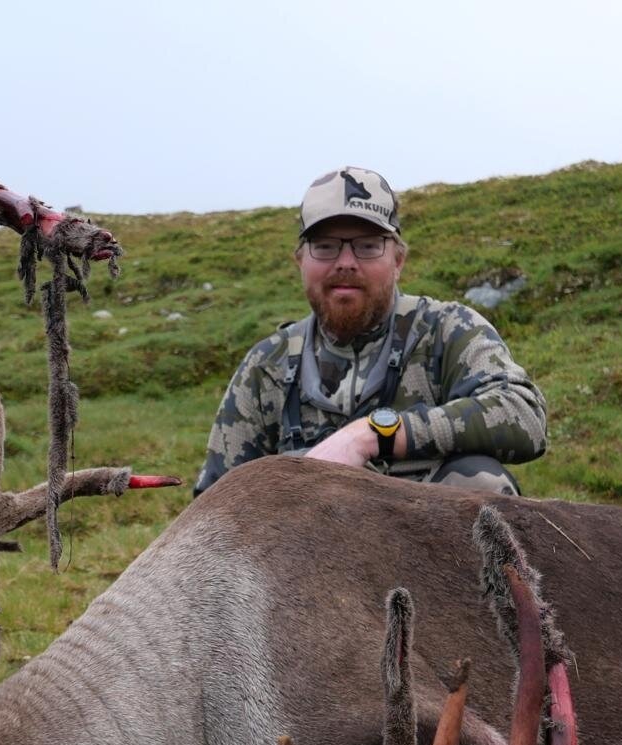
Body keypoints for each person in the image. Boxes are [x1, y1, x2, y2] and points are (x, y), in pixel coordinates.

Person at [193, 167, 547, 498]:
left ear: (398, 260)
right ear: (300, 260)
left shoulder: (448, 330)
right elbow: (214, 500)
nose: (346, 262)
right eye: (326, 246)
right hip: (303, 554)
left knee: (480, 481)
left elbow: (523, 414)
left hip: (430, 544)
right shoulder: (266, 366)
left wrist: (374, 435)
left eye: (367, 246)